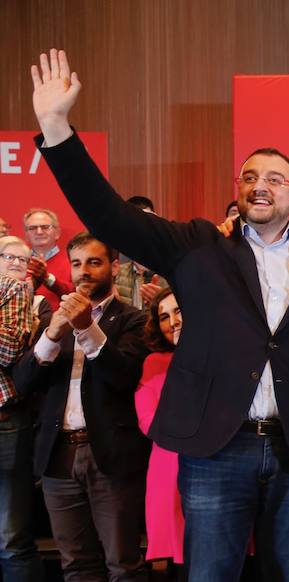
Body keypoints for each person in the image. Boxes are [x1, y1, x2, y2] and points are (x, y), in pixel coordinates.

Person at [30, 48, 289, 581]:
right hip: (219, 446)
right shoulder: (198, 246)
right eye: (249, 177)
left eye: (274, 177)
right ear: (239, 190)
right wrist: (57, 129)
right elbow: (109, 214)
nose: (260, 184)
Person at [16, 232, 151, 581]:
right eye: (77, 264)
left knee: (122, 563)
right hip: (57, 455)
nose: (83, 272)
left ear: (114, 267)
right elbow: (24, 382)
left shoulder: (132, 319)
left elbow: (122, 376)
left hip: (109, 454)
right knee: (75, 565)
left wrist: (86, 327)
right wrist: (51, 335)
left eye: (94, 262)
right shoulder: (52, 321)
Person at [134, 288, 185, 576]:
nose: (173, 322)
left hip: (218, 463)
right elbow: (148, 420)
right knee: (175, 561)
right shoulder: (154, 362)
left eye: (178, 311)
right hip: (169, 465)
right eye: (164, 317)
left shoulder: (221, 354)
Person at [0, 238, 42, 581]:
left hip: (4, 419)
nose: (16, 262)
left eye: (23, 258)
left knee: (10, 537)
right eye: (8, 256)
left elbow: (9, 350)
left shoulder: (14, 288)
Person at [23, 207, 73, 310]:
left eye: (45, 227)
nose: (39, 232)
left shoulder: (73, 261)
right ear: (26, 235)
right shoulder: (17, 263)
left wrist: (48, 279)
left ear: (57, 232)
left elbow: (79, 294)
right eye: (32, 228)